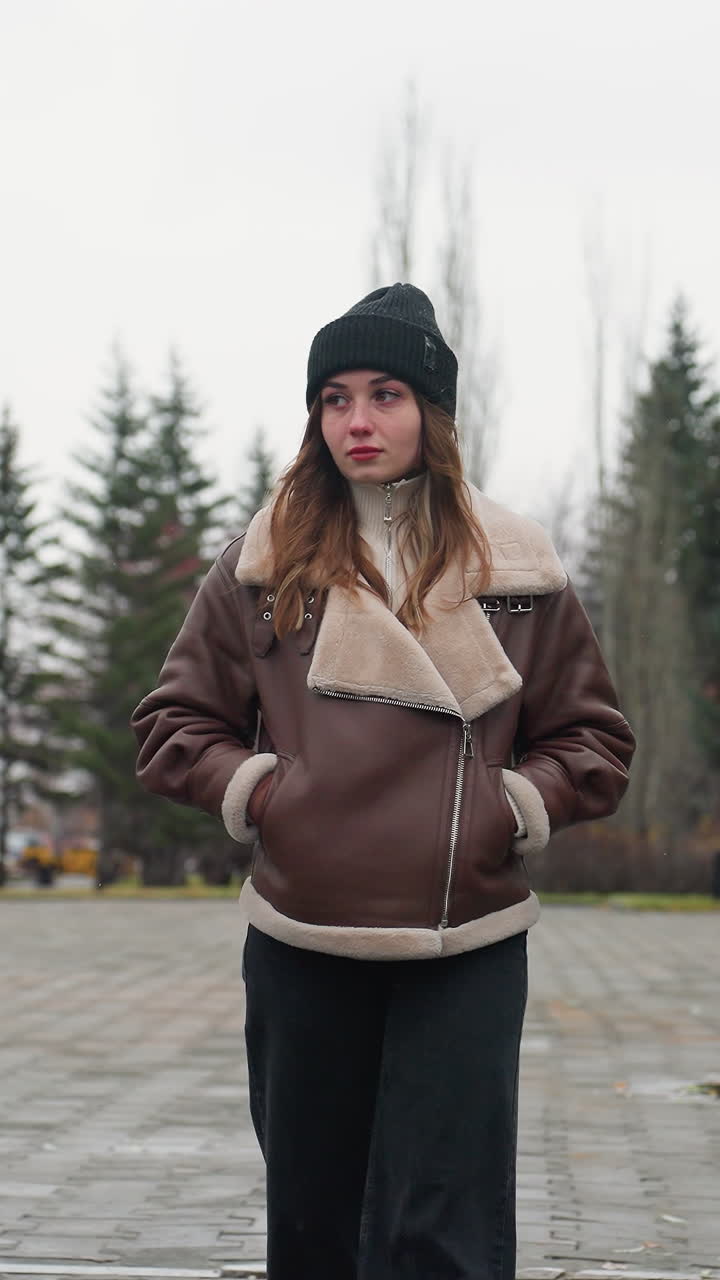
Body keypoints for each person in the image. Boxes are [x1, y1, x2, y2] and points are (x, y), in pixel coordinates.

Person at [132, 283, 635, 1280]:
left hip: (465, 933)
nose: (357, 420)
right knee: (316, 1218)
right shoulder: (260, 566)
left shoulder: (518, 567)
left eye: (387, 393)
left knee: (445, 1222)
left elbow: (593, 741)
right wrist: (271, 792)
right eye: (334, 398)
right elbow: (172, 726)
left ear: (433, 412)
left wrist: (512, 805)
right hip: (304, 928)